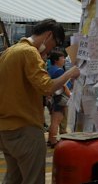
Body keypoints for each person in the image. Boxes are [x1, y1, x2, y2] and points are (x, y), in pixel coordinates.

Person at [0, 19, 80, 184]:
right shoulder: (29, 53)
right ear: (48, 35)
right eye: (55, 44)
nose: (51, 50)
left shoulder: (9, 52)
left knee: (13, 179)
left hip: (6, 130)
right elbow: (47, 87)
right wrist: (70, 73)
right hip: (26, 130)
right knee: (33, 179)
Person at [47, 51, 71, 147]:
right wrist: (70, 95)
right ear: (56, 60)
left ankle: (50, 139)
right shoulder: (59, 71)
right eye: (62, 58)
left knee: (54, 119)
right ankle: (53, 141)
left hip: (52, 98)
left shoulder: (50, 69)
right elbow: (63, 86)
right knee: (57, 120)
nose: (64, 60)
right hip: (59, 98)